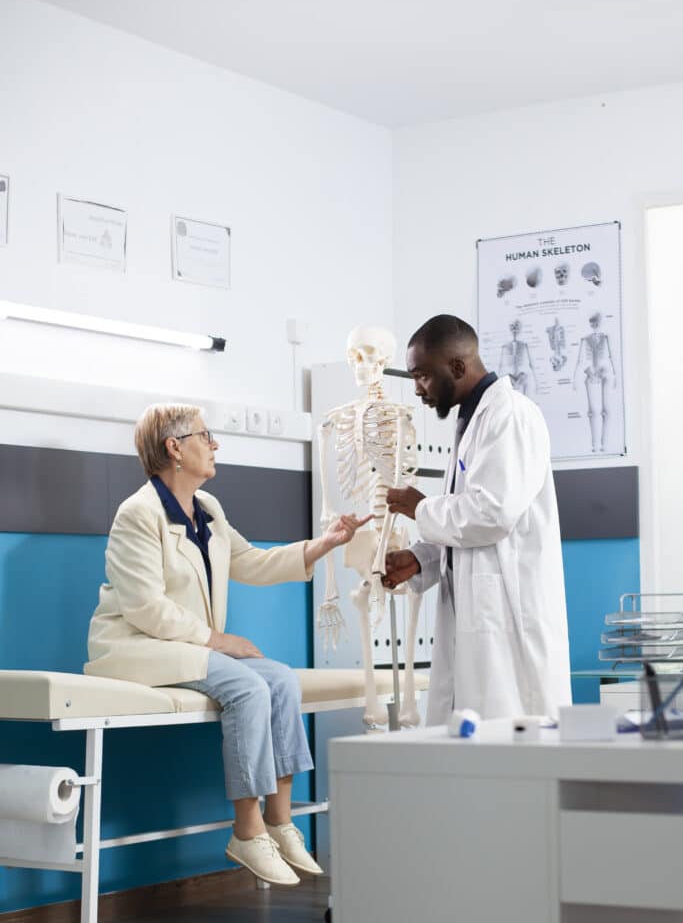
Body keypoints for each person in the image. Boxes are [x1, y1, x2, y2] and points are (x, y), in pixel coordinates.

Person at [87, 403, 370, 886]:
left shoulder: (208, 510)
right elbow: (144, 609)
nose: (215, 444)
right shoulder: (137, 514)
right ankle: (247, 827)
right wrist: (217, 640)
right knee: (247, 688)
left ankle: (280, 820)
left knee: (279, 680)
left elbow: (251, 563)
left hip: (187, 646)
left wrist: (324, 544)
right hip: (137, 646)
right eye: (205, 435)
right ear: (174, 448)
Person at [382, 315, 571, 725]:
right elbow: (468, 523)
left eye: (422, 377)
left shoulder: (511, 416)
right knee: (476, 755)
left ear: (456, 367)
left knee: (513, 752)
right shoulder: (472, 420)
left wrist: (420, 507)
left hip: (508, 620)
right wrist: (422, 559)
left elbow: (493, 513)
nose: (417, 390)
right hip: (479, 618)